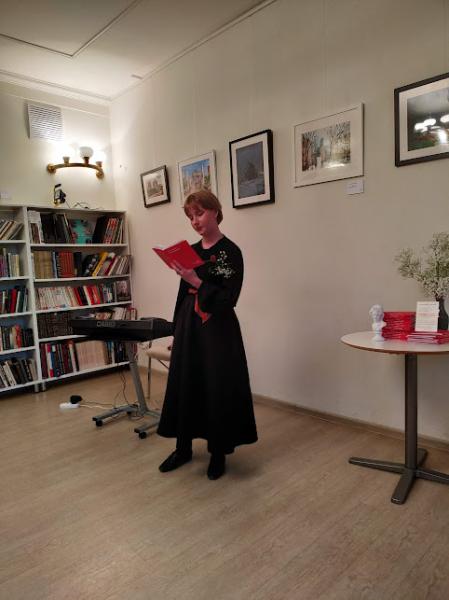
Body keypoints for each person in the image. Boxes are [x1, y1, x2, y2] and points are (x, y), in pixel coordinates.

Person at [157, 190, 258, 480]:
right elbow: (182, 293)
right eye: (190, 216)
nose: (195, 221)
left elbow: (229, 298)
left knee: (216, 385)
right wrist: (176, 331)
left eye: (199, 213)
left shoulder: (231, 252)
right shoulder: (190, 250)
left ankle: (218, 453)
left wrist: (196, 280)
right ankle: (183, 448)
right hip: (189, 324)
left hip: (217, 328)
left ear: (215, 211)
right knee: (186, 382)